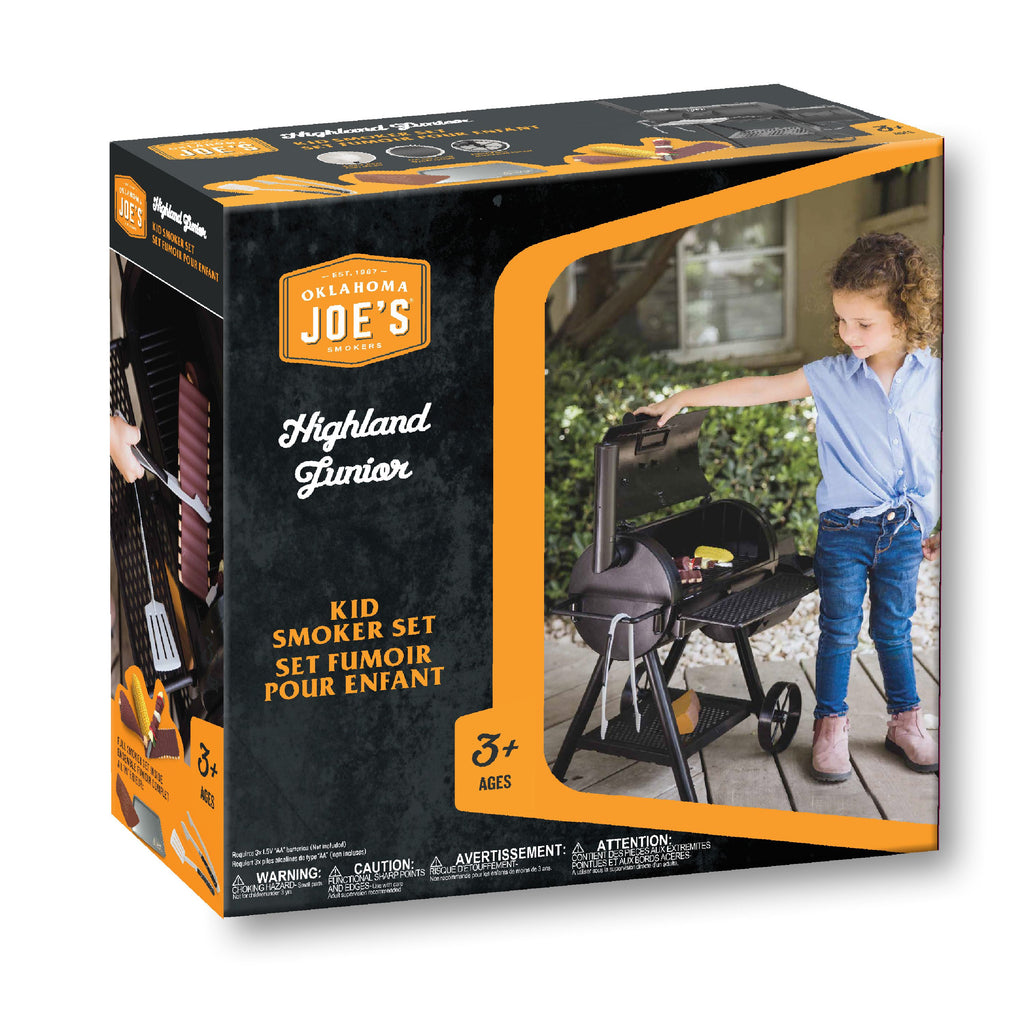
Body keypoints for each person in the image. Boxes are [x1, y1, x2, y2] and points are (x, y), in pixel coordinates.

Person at [636, 232, 940, 782]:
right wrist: (685, 398)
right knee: (839, 630)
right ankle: (830, 727)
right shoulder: (830, 377)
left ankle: (906, 723)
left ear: (903, 315)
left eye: (863, 323)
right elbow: (759, 388)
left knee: (894, 629)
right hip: (844, 531)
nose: (848, 334)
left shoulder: (936, 379)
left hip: (904, 529)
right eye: (841, 320)